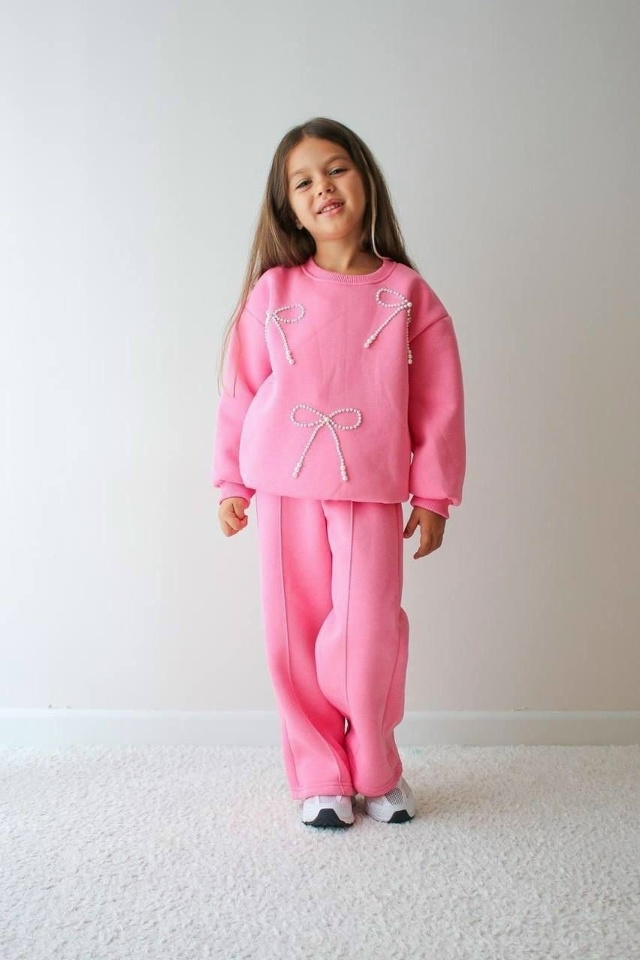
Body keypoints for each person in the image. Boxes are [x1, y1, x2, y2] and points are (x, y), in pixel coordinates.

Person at [212, 117, 466, 828]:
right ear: (289, 208)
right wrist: (230, 482)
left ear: (365, 180)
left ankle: (375, 767)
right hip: (282, 488)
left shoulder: (408, 294)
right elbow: (240, 390)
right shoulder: (274, 292)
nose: (322, 187)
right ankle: (320, 774)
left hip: (371, 488)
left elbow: (440, 401)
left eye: (336, 169)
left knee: (368, 632)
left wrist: (435, 493)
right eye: (303, 181)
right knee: (292, 634)